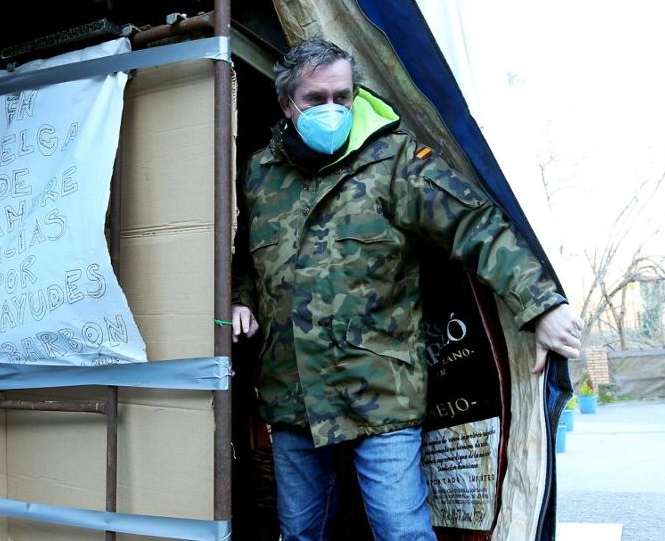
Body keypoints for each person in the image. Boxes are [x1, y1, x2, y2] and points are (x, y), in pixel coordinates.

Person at [229, 37, 583, 540]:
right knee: (301, 532)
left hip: (381, 394)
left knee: (401, 532)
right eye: (315, 99)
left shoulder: (394, 162)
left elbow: (474, 226)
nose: (332, 109)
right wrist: (241, 300)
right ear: (287, 103)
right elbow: (248, 258)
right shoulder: (260, 174)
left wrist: (541, 304)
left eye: (342, 97)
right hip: (294, 400)